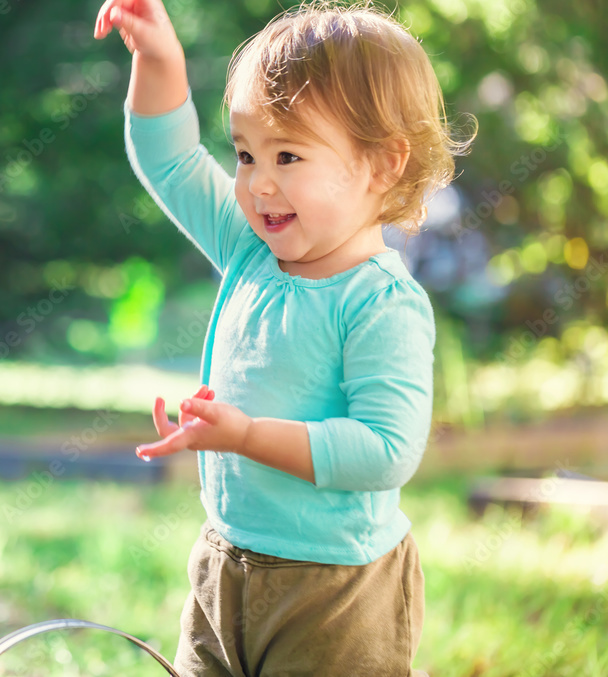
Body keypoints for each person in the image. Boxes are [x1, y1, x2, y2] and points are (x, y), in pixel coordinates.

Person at [94, 0, 475, 675]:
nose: (257, 182)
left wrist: (245, 435)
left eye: (288, 154)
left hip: (335, 590)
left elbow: (386, 449)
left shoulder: (381, 303)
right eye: (246, 153)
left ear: (381, 163)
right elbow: (172, 161)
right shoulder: (249, 251)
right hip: (225, 561)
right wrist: (159, 60)